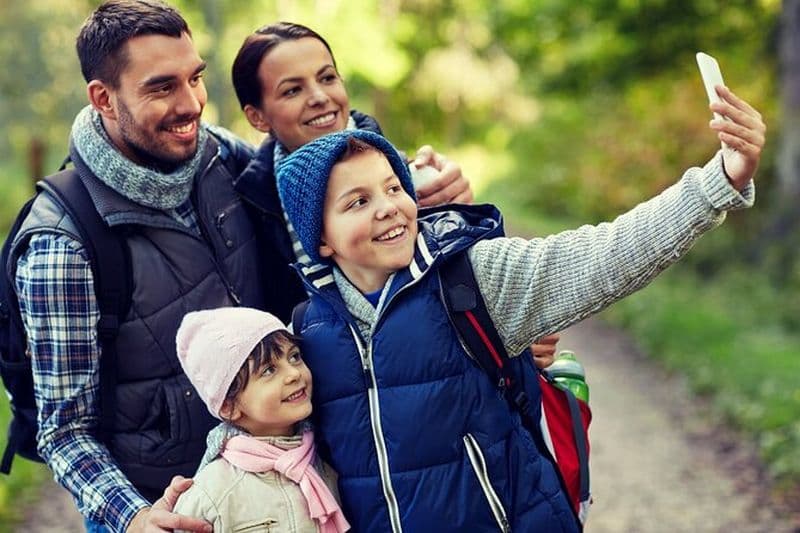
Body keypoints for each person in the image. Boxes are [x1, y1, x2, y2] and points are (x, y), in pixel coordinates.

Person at [274, 86, 765, 531]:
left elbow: (607, 255)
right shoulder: (309, 332)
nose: (387, 207)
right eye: (357, 202)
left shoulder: (473, 276)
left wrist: (718, 181)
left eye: (393, 188)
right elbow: (271, 445)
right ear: (319, 238)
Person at [9, 1, 272, 531]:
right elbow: (65, 432)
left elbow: (310, 176)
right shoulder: (62, 245)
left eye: (194, 78)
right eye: (161, 87)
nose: (192, 103)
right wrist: (135, 519)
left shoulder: (217, 154)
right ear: (104, 98)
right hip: (166, 508)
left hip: (275, 478)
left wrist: (414, 182)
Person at [230, 21, 560, 364]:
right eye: (292, 90)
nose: (319, 97)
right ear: (257, 117)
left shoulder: (412, 178)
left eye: (327, 77)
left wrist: (513, 326)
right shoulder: (251, 205)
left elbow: (482, 286)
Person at [172, 307, 349, 532]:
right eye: (268, 370)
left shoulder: (325, 465)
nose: (294, 374)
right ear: (229, 406)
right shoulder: (212, 491)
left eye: (294, 357)